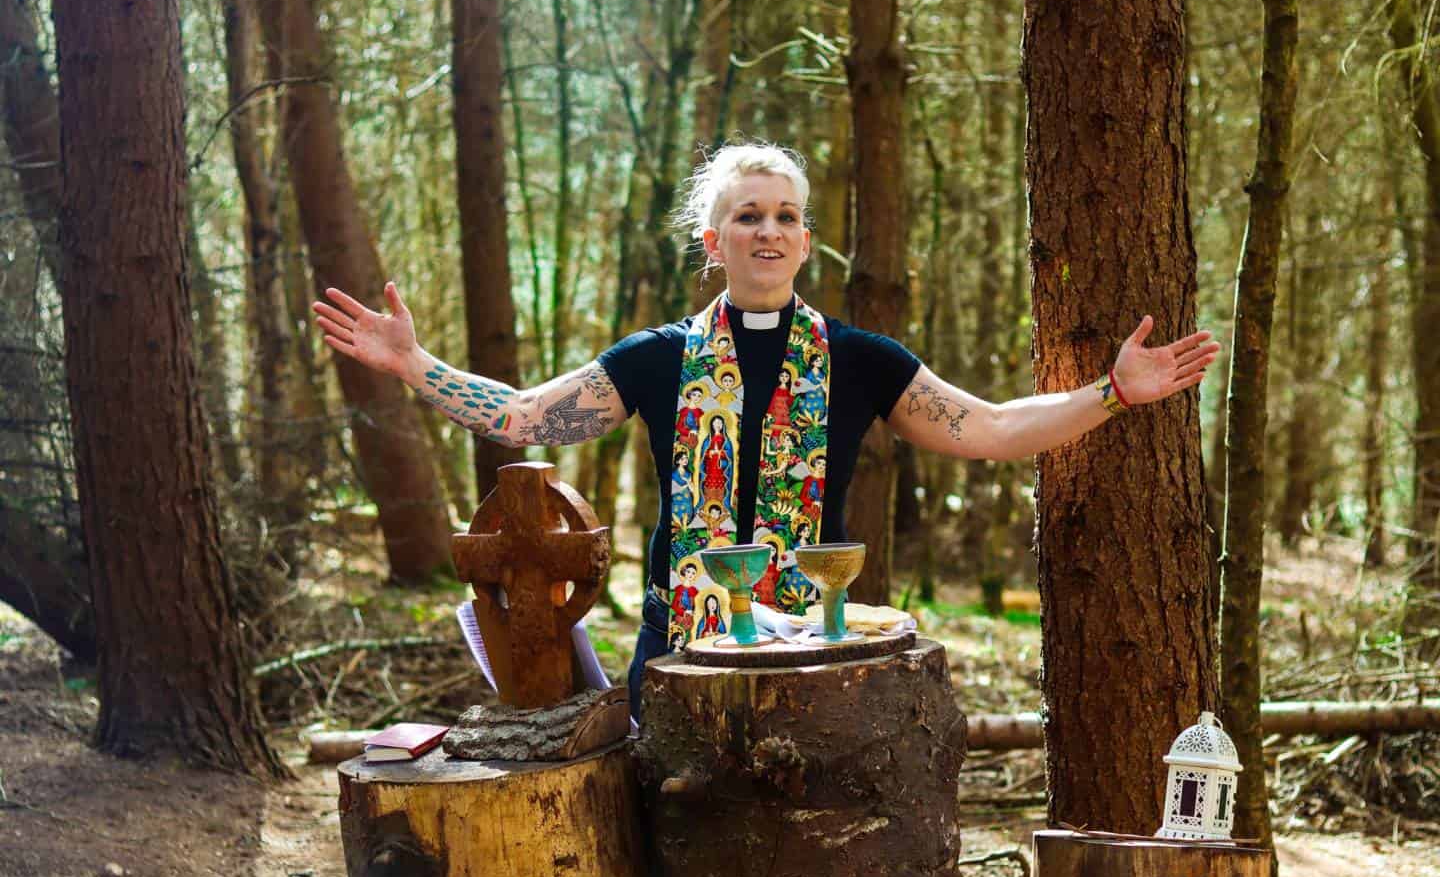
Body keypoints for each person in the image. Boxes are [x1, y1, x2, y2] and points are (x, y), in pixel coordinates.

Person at [311, 142, 1220, 721]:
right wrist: (411, 366)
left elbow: (986, 428)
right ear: (715, 242)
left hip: (815, 657)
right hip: (676, 652)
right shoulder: (658, 358)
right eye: (748, 215)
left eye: (786, 215)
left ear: (806, 240)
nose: (769, 230)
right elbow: (521, 416)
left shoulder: (860, 359)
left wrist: (1112, 392)